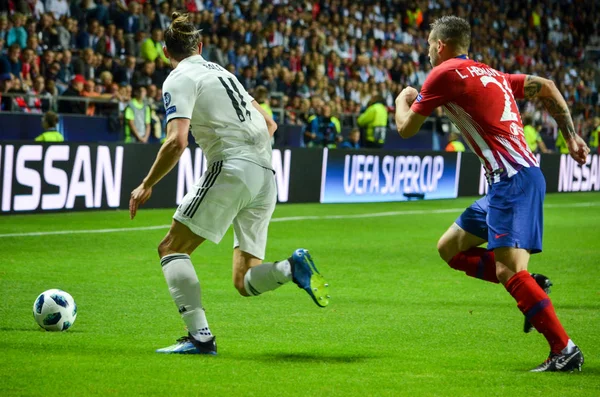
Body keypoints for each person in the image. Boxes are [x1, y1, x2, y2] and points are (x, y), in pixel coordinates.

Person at [393, 16, 589, 372]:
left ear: (440, 45)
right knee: (449, 248)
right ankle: (532, 287)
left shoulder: (443, 74)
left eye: (428, 47)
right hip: (512, 180)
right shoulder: (493, 75)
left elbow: (406, 128)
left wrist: (402, 99)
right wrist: (570, 135)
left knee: (506, 270)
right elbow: (545, 86)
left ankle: (565, 350)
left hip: (512, 181)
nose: (427, 54)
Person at [128, 13, 330, 355]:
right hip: (265, 174)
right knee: (245, 280)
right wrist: (250, 157)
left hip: (233, 167)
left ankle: (200, 339)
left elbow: (177, 141)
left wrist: (147, 184)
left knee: (171, 248)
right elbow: (270, 123)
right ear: (201, 47)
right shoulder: (225, 73)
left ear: (165, 53)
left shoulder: (178, 77)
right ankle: (289, 268)